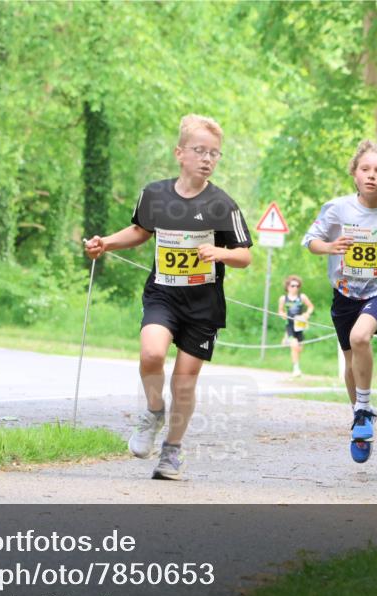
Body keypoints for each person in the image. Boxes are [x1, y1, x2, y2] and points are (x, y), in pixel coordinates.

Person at [84, 114, 253, 481]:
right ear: (180, 153)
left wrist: (219, 254)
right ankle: (153, 411)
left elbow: (244, 255)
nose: (207, 159)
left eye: (215, 154)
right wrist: (106, 243)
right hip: (163, 293)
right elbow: (140, 231)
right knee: (152, 354)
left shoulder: (223, 205)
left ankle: (172, 452)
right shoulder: (155, 194)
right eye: (199, 151)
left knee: (184, 381)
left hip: (204, 304)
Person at [302, 139, 377, 463]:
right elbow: (310, 240)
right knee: (350, 363)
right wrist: (329, 247)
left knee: (360, 337)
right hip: (344, 292)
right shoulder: (337, 209)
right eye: (365, 169)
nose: (371, 175)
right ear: (354, 173)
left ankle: (365, 409)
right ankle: (360, 418)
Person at [277, 275, 314, 377]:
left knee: (299, 349)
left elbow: (311, 307)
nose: (295, 288)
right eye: (293, 286)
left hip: (300, 325)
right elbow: (280, 310)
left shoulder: (302, 297)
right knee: (294, 346)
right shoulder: (283, 298)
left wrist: (307, 314)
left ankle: (285, 338)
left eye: (297, 286)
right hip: (289, 325)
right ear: (288, 286)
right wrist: (282, 314)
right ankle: (296, 369)